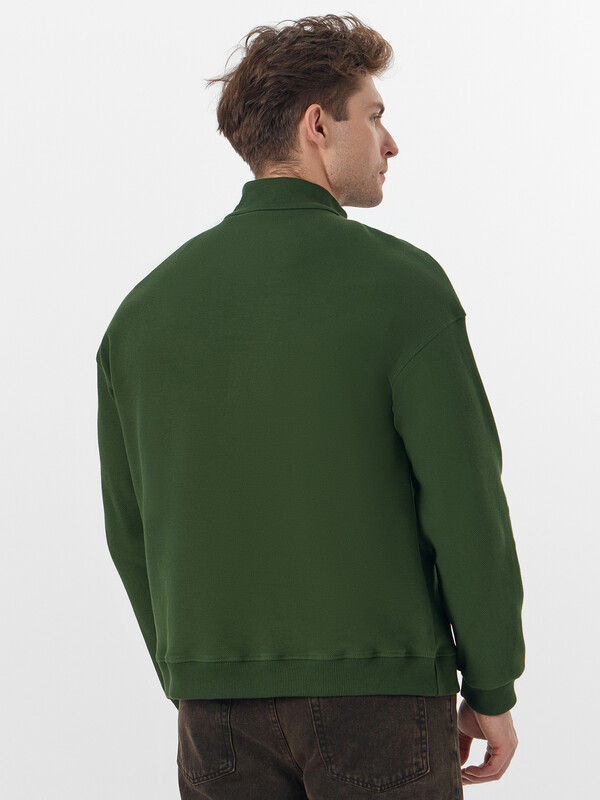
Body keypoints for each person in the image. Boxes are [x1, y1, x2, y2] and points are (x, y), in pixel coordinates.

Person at [95, 13, 525, 798]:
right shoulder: (403, 288)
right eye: (375, 116)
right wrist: (492, 684)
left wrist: (193, 670)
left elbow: (130, 526)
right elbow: (466, 504)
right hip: (382, 697)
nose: (391, 143)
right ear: (318, 126)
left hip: (214, 710)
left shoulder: (143, 313)